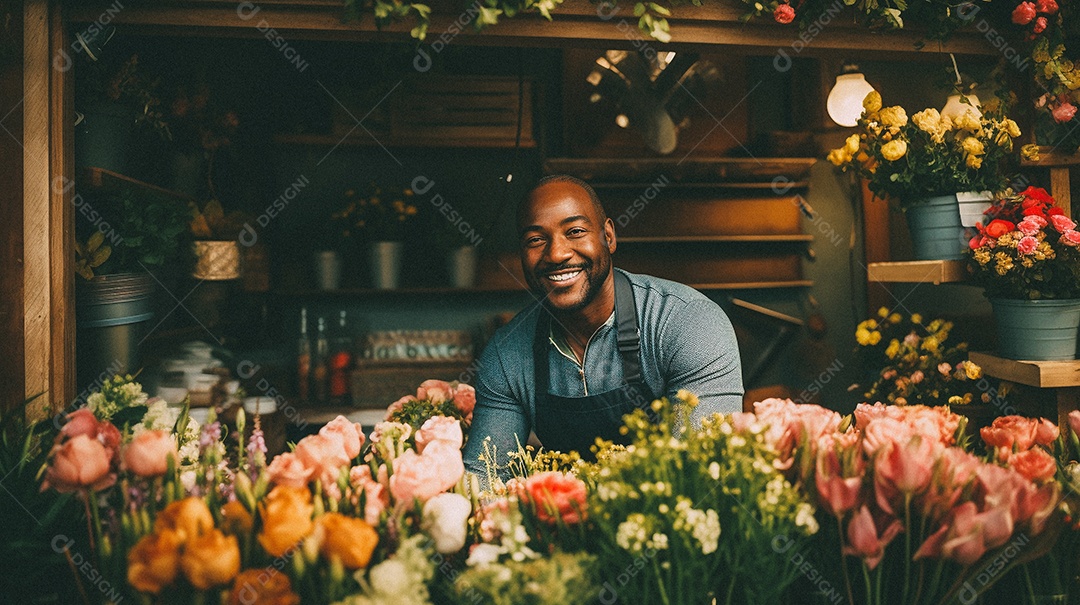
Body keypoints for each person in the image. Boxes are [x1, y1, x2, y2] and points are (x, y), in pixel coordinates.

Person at [462, 175, 743, 480]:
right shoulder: (506, 355)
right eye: (535, 240)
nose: (557, 254)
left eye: (575, 231)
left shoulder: (689, 322)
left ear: (608, 236)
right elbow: (485, 482)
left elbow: (698, 473)